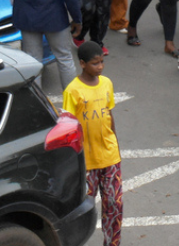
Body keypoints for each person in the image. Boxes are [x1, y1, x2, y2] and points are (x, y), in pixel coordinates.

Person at [63, 40, 124, 246]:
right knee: (81, 211)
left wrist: (114, 143)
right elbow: (68, 127)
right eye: (95, 63)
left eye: (101, 62)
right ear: (82, 64)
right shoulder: (73, 91)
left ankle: (112, 243)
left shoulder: (106, 83)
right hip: (86, 162)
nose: (100, 67)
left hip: (109, 156)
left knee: (114, 205)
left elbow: (109, 114)